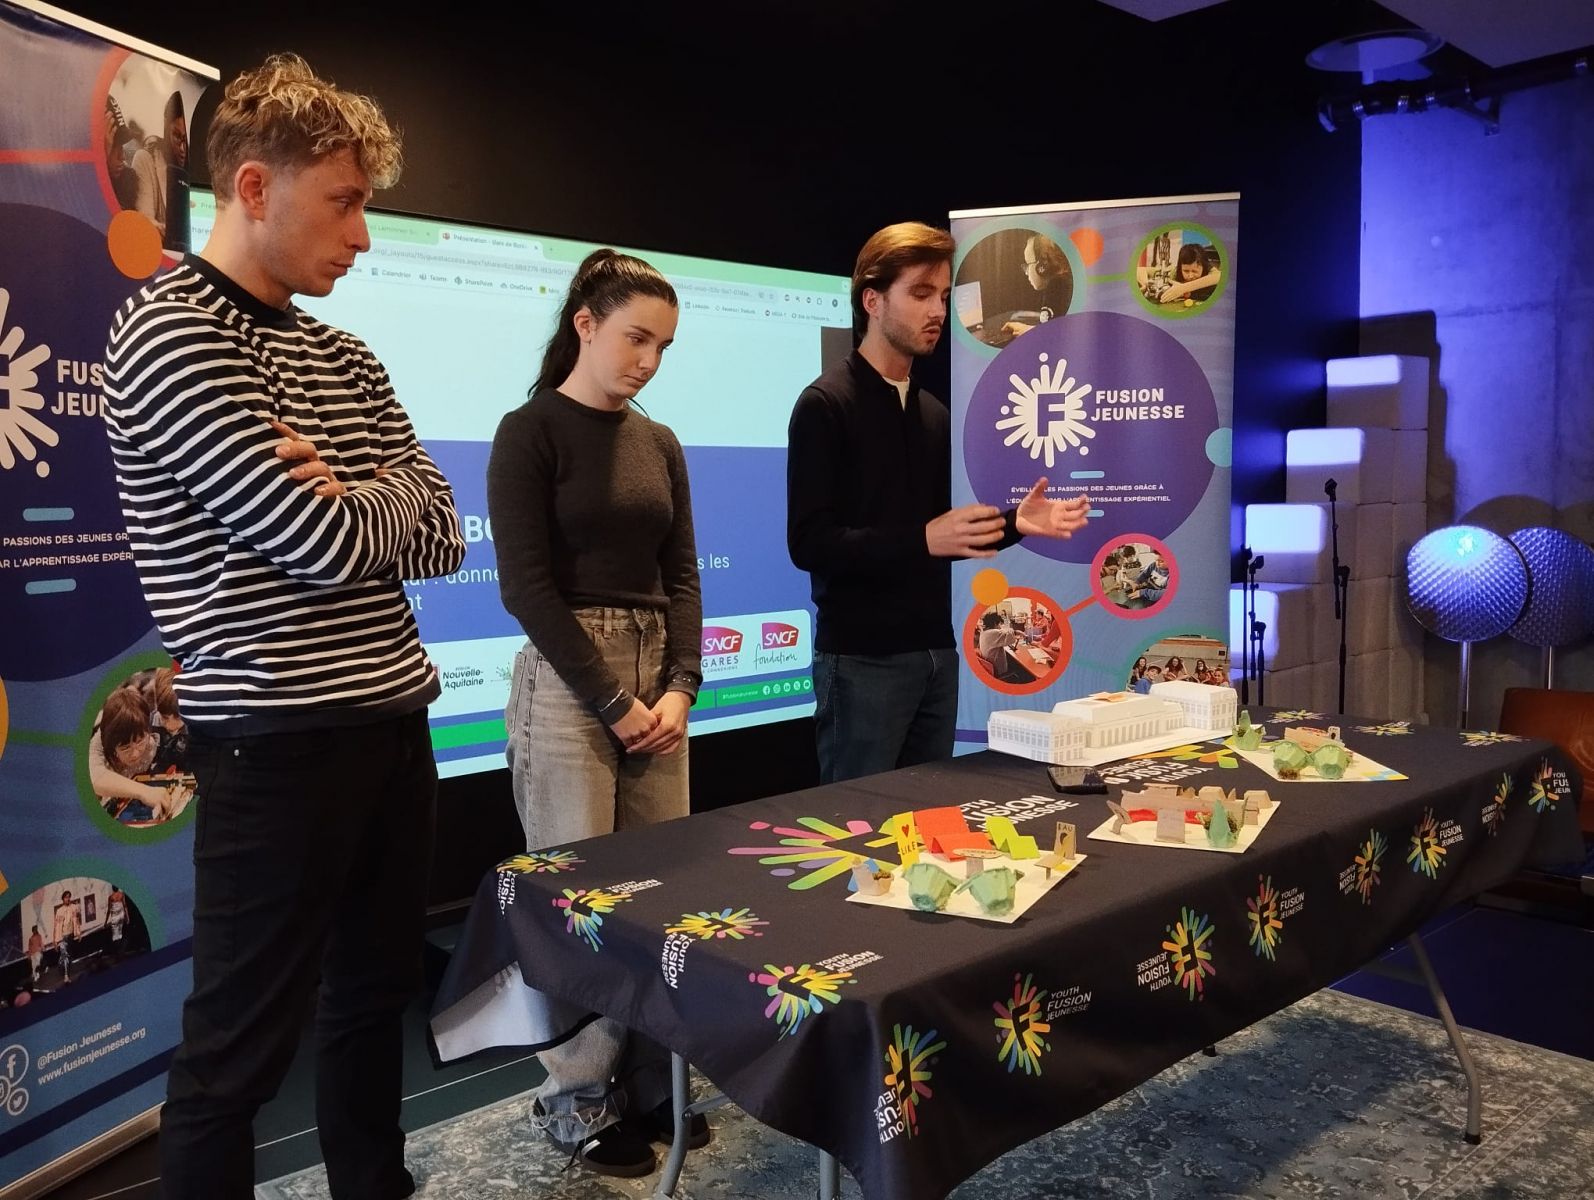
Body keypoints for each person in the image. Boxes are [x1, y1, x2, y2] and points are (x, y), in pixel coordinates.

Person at [102, 54, 465, 1200]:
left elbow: (445, 530)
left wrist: (350, 488)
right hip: (270, 742)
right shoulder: (166, 334)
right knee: (238, 1055)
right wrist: (370, 499)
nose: (361, 238)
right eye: (345, 203)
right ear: (254, 189)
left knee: (373, 1005)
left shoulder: (343, 353)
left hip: (390, 723)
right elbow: (325, 545)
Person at [487, 249, 706, 1178]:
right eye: (634, 337)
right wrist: (614, 700)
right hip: (571, 685)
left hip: (657, 680)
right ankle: (576, 1098)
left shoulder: (658, 443)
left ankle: (661, 1086)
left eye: (662, 345)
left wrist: (680, 689)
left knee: (666, 902)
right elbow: (526, 590)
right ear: (585, 323)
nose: (648, 360)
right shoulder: (528, 430)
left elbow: (684, 576)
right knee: (579, 905)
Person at [787, 222, 1091, 783]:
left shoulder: (931, 412)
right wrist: (922, 538)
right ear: (872, 300)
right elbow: (810, 543)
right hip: (861, 661)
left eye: (944, 296)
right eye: (921, 293)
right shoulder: (825, 404)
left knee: (927, 824)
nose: (938, 311)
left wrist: (1013, 524)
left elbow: (941, 536)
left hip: (935, 655)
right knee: (859, 827)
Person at [1002, 232, 1073, 337]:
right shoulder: (1066, 282)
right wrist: (1028, 329)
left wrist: (1031, 334)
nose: (1026, 272)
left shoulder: (1056, 287)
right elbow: (1054, 330)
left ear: (1042, 266)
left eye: (1027, 264)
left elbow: (1048, 339)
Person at [52, 891, 81, 982]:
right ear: (63, 899)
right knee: (65, 955)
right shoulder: (59, 910)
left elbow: (76, 920)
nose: (67, 899)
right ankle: (66, 976)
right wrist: (54, 941)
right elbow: (56, 926)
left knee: (67, 955)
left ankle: (62, 965)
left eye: (69, 897)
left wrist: (79, 933)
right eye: (66, 897)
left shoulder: (73, 907)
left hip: (70, 935)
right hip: (62, 936)